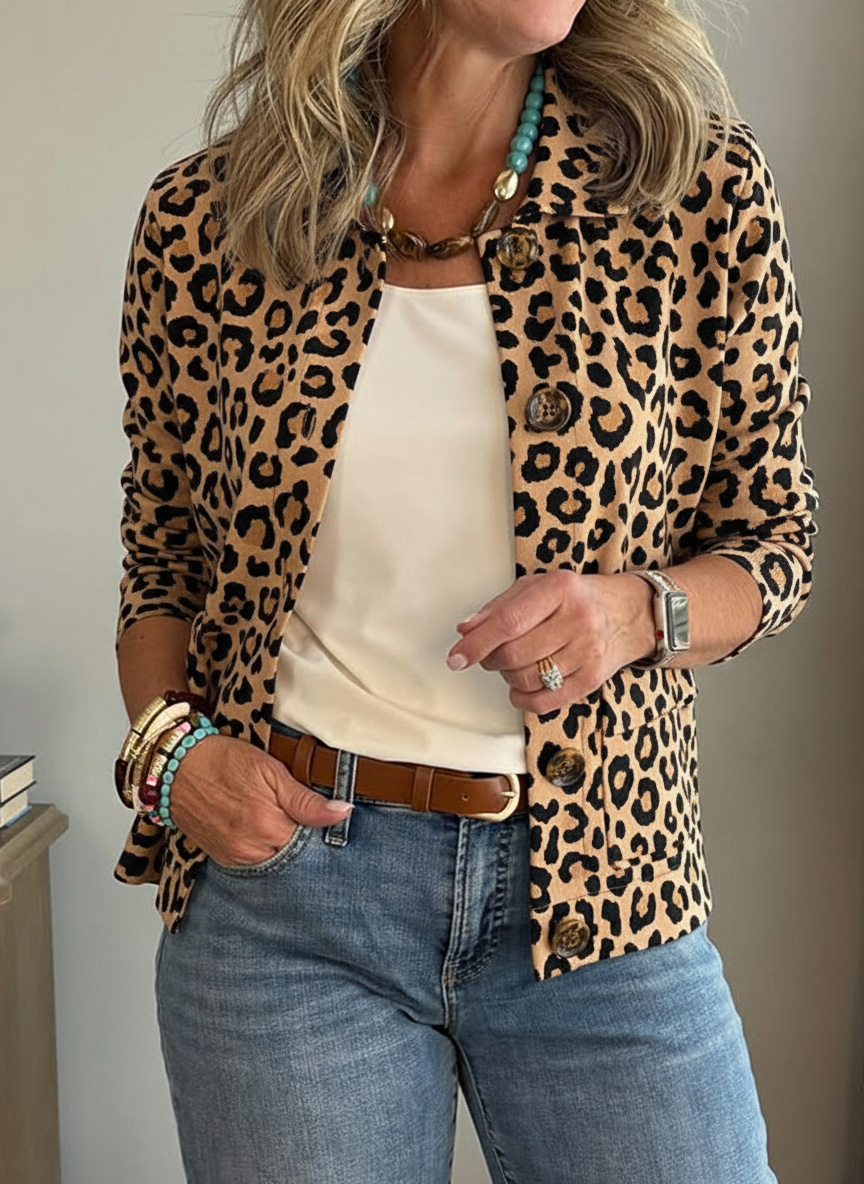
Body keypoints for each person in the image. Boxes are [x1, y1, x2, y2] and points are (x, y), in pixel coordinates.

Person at [113, 0, 818, 1180]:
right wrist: (170, 756)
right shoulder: (211, 215)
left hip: (600, 887)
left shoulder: (693, 185)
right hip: (289, 904)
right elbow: (163, 552)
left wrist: (631, 612)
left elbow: (776, 541)